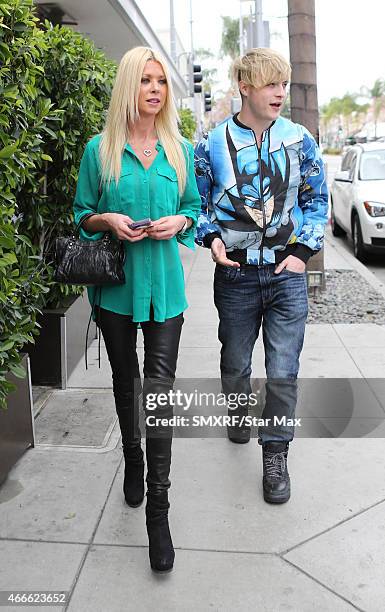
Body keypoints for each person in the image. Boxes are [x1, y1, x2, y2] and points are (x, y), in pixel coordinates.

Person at [73, 46, 200, 572]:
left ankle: (159, 515)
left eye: (161, 81)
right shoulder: (99, 150)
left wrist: (181, 224)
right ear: (129, 85)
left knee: (159, 393)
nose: (155, 89)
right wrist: (107, 220)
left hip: (166, 290)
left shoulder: (180, 149)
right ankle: (132, 458)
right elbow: (81, 215)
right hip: (118, 293)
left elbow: (193, 207)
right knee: (126, 386)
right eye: (145, 80)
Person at [194, 48, 328, 504]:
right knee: (235, 364)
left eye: (284, 84)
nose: (280, 93)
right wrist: (210, 238)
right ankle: (237, 410)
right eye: (271, 83)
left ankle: (275, 454)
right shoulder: (212, 143)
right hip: (234, 276)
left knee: (284, 370)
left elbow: (316, 199)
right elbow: (199, 204)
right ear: (244, 87)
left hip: (286, 274)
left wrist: (302, 252)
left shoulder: (299, 139)